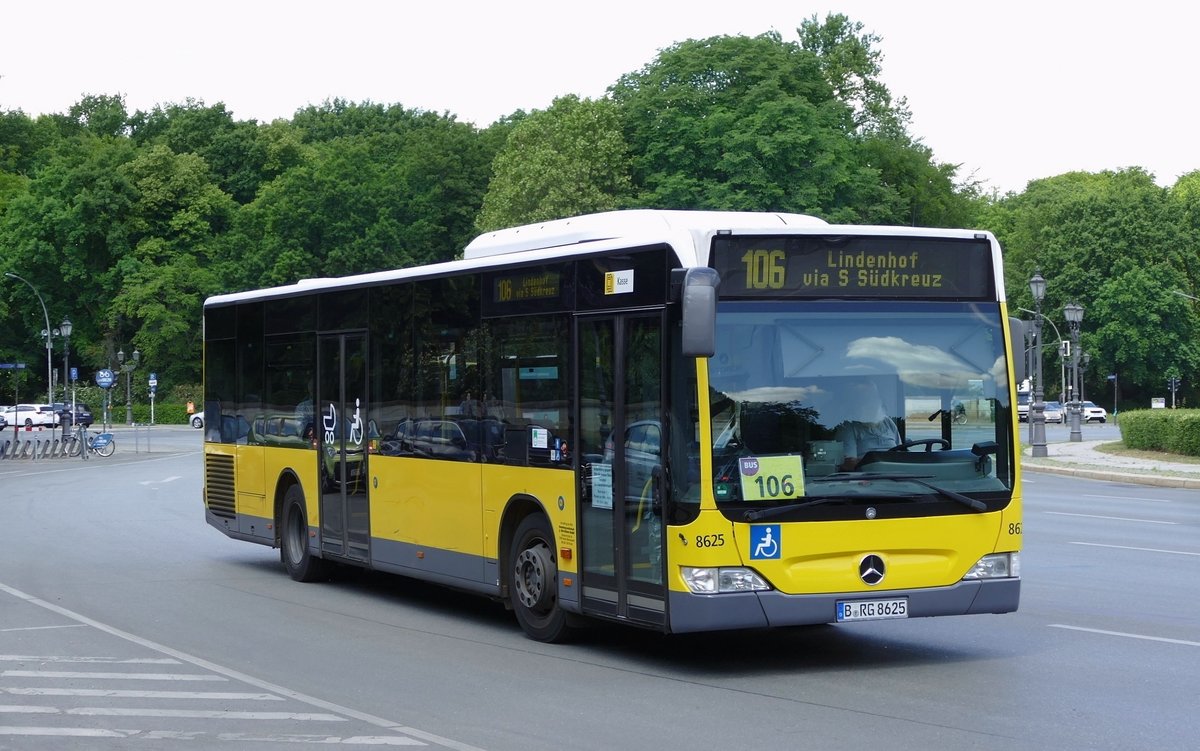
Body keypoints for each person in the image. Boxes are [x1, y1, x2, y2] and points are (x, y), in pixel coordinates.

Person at [835, 380, 900, 470]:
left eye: (873, 397)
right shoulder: (848, 426)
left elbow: (901, 453)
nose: (871, 401)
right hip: (866, 479)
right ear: (856, 402)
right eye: (865, 398)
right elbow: (849, 464)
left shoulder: (888, 422)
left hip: (896, 476)